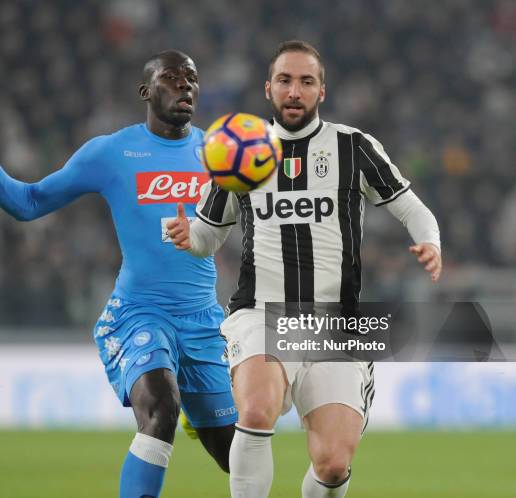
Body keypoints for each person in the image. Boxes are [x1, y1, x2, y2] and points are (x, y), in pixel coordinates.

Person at [167, 40, 442, 498]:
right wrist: (187, 235)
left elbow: (414, 210)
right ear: (268, 89)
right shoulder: (240, 150)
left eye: (306, 82)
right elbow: (208, 236)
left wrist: (429, 241)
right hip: (262, 312)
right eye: (285, 81)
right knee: (256, 412)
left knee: (333, 465)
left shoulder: (354, 147)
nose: (295, 91)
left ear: (322, 91)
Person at [0, 50, 236, 498]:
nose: (185, 85)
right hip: (140, 314)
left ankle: (199, 414)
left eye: (192, 77)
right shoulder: (111, 152)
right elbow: (30, 202)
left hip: (203, 322)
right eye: (171, 77)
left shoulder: (218, 154)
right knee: (160, 412)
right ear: (146, 92)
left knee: (236, 459)